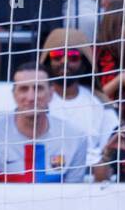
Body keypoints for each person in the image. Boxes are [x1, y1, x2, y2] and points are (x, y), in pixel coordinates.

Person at [0, 63, 92, 182]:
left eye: (38, 88)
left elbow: (74, 196)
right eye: (23, 89)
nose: (31, 97)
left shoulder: (75, 137)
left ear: (51, 94)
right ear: (14, 94)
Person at [39, 27, 117, 166]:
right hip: (43, 174)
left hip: (90, 175)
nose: (64, 61)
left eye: (73, 57)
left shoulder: (99, 103)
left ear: (84, 63)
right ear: (47, 61)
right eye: (57, 56)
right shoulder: (37, 101)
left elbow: (110, 147)